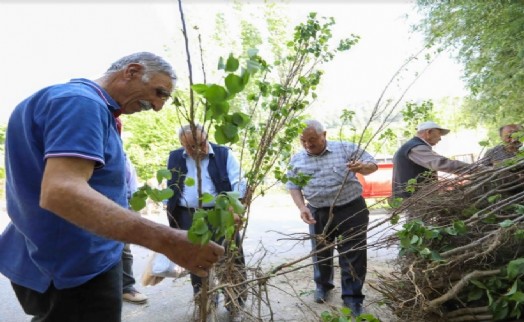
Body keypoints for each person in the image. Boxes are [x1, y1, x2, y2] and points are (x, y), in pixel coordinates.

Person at [0, 52, 224, 322]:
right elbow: (62, 192)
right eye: (159, 92)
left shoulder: (61, 100)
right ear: (131, 71)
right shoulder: (81, 103)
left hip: (46, 257)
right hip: (76, 265)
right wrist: (168, 240)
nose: (157, 107)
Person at [286, 119, 378, 316]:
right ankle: (323, 286)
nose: (308, 144)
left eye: (312, 139)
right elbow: (293, 186)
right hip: (318, 211)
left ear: (324, 135)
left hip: (351, 208)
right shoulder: (297, 159)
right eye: (303, 140)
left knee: (353, 254)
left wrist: (361, 167)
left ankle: (352, 298)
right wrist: (302, 207)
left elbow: (373, 165)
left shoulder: (345, 148)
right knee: (321, 252)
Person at [165, 124, 247, 319]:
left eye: (201, 144)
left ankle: (235, 300)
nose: (197, 150)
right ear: (182, 143)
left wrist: (234, 209)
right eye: (190, 146)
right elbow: (171, 185)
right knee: (196, 259)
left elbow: (239, 182)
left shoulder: (223, 154)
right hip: (188, 215)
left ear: (207, 137)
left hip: (221, 213)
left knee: (229, 257)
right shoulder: (175, 157)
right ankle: (204, 300)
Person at [392, 121, 471, 199]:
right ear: (428, 132)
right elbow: (441, 163)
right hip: (413, 200)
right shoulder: (416, 148)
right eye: (439, 134)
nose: (440, 139)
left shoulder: (412, 146)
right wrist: (473, 168)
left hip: (412, 199)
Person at [122, 156, 148, 304]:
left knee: (125, 249)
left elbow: (131, 181)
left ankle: (126, 288)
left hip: (125, 205)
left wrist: (134, 208)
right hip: (101, 205)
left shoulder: (122, 154)